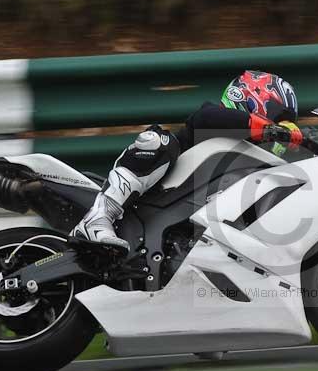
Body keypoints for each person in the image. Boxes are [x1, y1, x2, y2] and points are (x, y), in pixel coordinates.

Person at [70, 70, 302, 252]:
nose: (286, 128)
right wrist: (270, 129)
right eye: (281, 119)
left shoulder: (257, 170)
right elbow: (207, 117)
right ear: (255, 100)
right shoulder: (213, 120)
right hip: (148, 203)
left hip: (188, 237)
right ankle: (98, 217)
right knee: (159, 140)